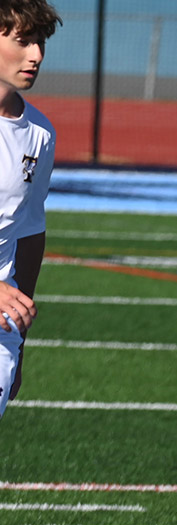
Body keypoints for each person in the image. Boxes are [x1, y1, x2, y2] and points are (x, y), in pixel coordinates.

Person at [0, 0, 60, 421]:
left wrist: (19, 342)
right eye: (23, 41)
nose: (36, 55)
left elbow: (30, 231)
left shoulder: (40, 133)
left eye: (40, 42)